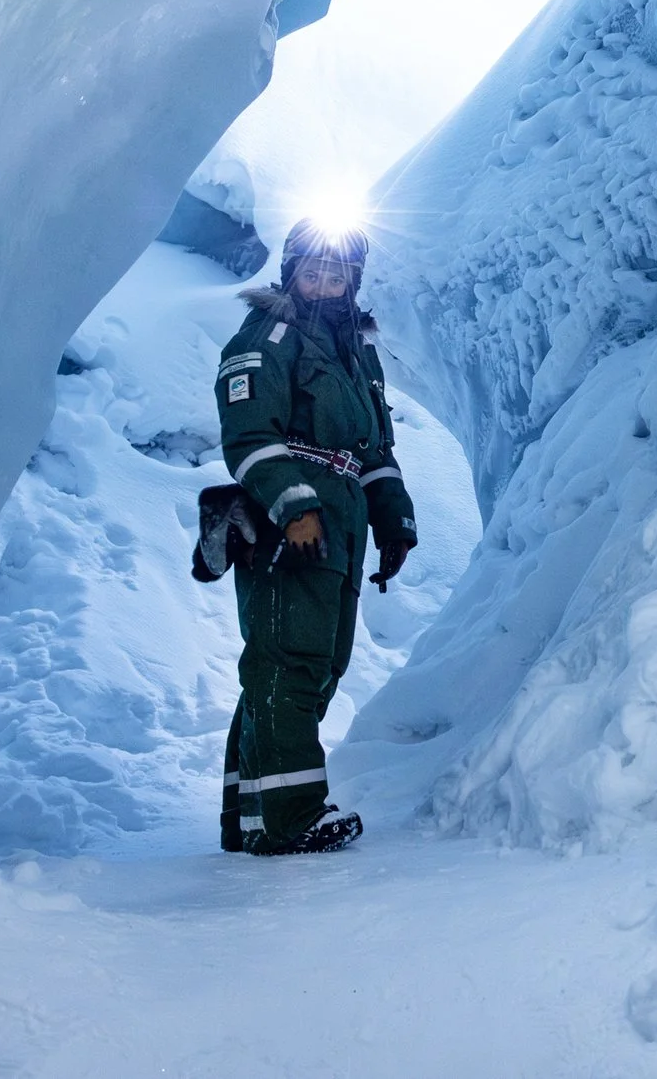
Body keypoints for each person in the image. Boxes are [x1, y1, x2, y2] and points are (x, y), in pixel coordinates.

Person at [213, 217, 417, 855]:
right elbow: (249, 433)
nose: (324, 284)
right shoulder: (270, 334)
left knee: (319, 665)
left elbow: (374, 447)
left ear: (352, 281)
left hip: (343, 520)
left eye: (337, 274)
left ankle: (250, 816)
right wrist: (293, 505)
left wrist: (394, 520)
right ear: (291, 273)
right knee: (287, 660)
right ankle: (289, 817)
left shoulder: (357, 352)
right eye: (313, 272)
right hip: (291, 519)